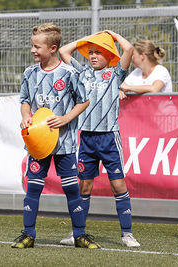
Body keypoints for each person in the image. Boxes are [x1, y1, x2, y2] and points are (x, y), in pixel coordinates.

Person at [11, 23, 101, 249]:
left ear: (52, 48)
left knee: (72, 188)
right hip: (38, 143)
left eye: (37, 47)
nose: (33, 50)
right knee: (33, 187)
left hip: (65, 143)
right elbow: (25, 100)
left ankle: (80, 235)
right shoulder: (29, 73)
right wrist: (25, 116)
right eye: (32, 46)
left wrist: (66, 118)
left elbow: (84, 101)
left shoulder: (70, 73)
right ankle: (28, 234)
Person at [59, 30, 140, 247]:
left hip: (109, 139)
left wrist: (112, 34)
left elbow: (129, 49)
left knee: (118, 184)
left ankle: (127, 234)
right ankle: (77, 232)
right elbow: (63, 51)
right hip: (86, 138)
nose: (93, 55)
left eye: (99, 52)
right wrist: (85, 41)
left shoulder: (115, 74)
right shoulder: (82, 72)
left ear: (110, 55)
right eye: (91, 52)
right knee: (84, 187)